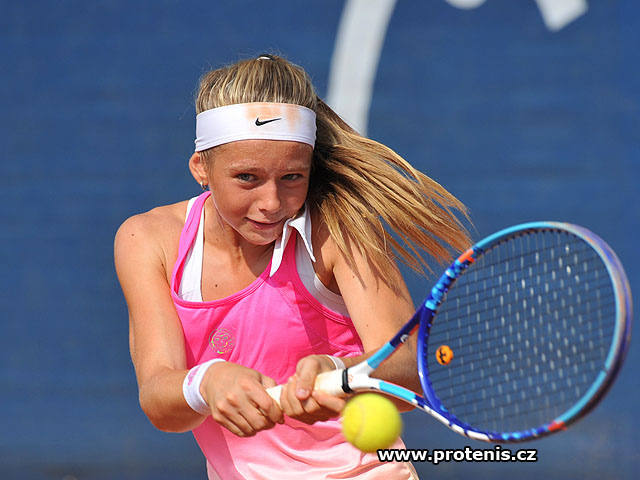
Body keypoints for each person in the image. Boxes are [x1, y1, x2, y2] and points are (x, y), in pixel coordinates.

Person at [114, 54, 471, 479]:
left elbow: (409, 367)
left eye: (292, 178)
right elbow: (159, 400)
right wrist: (207, 381)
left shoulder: (338, 231)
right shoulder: (147, 240)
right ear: (201, 167)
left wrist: (340, 373)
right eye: (247, 178)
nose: (271, 203)